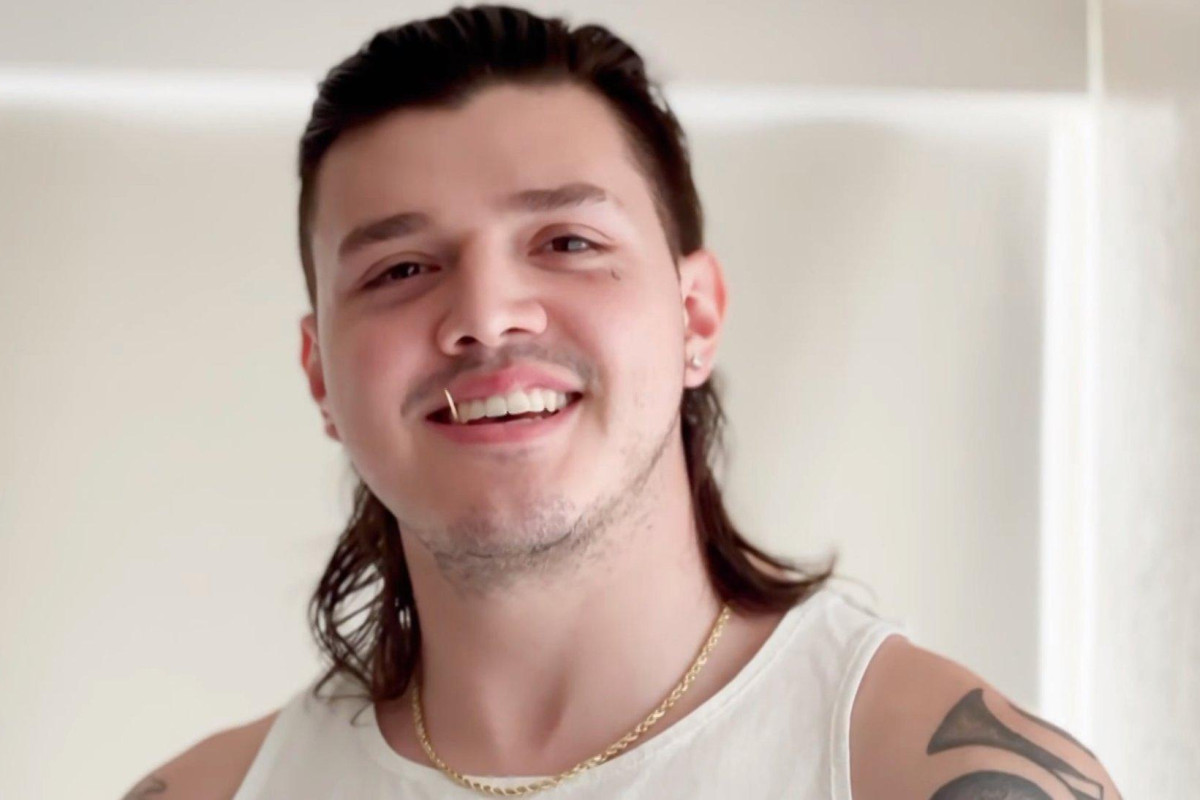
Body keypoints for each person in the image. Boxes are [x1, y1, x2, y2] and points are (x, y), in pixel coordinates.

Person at [122, 5, 1123, 799]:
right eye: (402, 268)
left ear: (696, 315)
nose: (486, 316)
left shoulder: (929, 776)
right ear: (320, 375)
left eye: (566, 242)